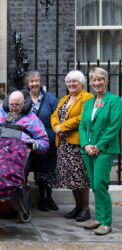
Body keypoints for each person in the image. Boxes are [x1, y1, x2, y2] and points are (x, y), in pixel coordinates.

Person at [79, 67, 122, 235]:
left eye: (100, 80)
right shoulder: (89, 102)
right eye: (94, 80)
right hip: (88, 149)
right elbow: (82, 126)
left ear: (106, 81)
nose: (97, 83)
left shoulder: (114, 100)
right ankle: (98, 219)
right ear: (90, 82)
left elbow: (114, 126)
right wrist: (85, 145)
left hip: (104, 150)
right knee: (94, 186)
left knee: (100, 185)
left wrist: (98, 146)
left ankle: (106, 222)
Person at [51, 70, 94, 222]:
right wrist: (56, 126)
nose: (71, 84)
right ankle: (78, 207)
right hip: (64, 144)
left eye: (74, 81)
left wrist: (62, 127)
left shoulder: (87, 98)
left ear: (81, 83)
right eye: (69, 81)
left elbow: (83, 117)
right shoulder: (65, 98)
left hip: (76, 144)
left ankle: (85, 209)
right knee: (71, 178)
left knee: (80, 177)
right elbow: (54, 115)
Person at [24, 71, 59, 212]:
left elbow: (57, 116)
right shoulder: (24, 97)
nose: (34, 84)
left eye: (36, 81)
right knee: (36, 169)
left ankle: (49, 197)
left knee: (48, 169)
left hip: (47, 139)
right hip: (28, 140)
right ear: (28, 84)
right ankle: (41, 198)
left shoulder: (50, 98)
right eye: (31, 81)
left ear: (40, 82)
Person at [0, 90, 49, 155]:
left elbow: (44, 141)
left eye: (18, 105)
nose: (14, 108)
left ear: (24, 103)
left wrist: (35, 145)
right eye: (12, 105)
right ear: (8, 103)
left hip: (19, 157)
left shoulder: (32, 119)